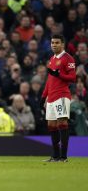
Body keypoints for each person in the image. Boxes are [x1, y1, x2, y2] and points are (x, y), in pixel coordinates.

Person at [40, 34, 76, 162]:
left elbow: (72, 77)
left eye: (57, 43)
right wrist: (43, 96)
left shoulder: (68, 58)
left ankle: (64, 157)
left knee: (62, 122)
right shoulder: (52, 59)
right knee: (51, 125)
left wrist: (59, 74)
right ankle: (55, 156)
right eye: (52, 43)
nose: (54, 45)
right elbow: (50, 80)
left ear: (62, 44)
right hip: (51, 97)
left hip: (62, 95)